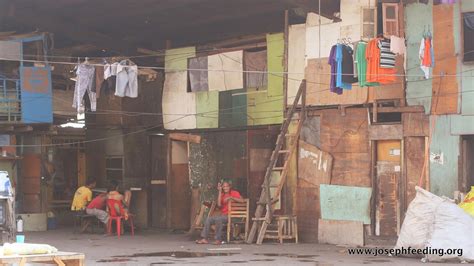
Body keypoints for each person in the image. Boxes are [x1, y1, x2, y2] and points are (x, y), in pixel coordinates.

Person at [196, 180, 244, 244]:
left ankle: (218, 239)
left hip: (232, 215)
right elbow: (219, 205)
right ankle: (204, 239)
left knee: (219, 219)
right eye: (224, 187)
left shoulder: (234, 193)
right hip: (223, 215)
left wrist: (231, 197)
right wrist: (219, 191)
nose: (225, 188)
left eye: (227, 186)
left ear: (230, 187)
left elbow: (242, 200)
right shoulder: (222, 194)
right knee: (209, 219)